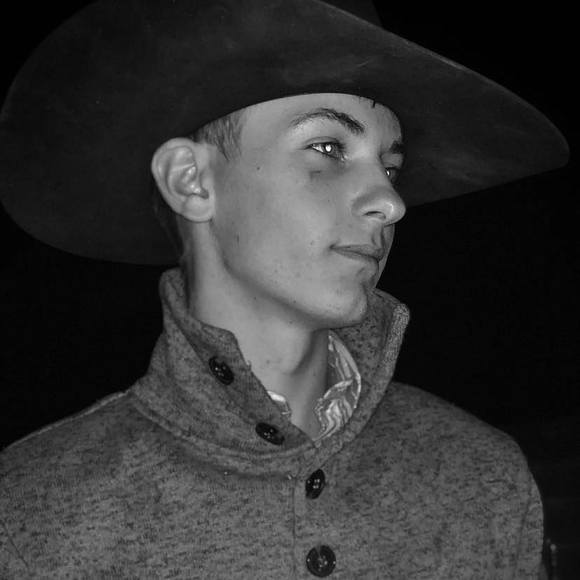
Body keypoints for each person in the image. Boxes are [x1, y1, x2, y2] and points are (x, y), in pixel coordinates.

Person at [0, 0, 569, 578]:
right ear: (191, 181)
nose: (391, 202)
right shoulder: (33, 516)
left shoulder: (483, 479)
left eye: (390, 168)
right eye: (328, 149)